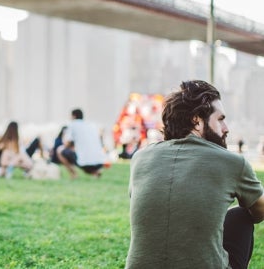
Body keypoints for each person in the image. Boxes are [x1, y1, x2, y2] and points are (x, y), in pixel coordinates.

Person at [125, 80, 264, 269]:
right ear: (197, 121)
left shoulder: (140, 158)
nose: (226, 128)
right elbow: (259, 210)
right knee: (240, 216)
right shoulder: (232, 162)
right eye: (220, 119)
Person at [56, 108, 107, 179]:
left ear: (74, 116)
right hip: (100, 162)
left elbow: (66, 143)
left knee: (60, 150)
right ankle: (95, 172)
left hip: (84, 163)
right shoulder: (91, 125)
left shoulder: (72, 125)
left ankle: (74, 174)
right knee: (84, 157)